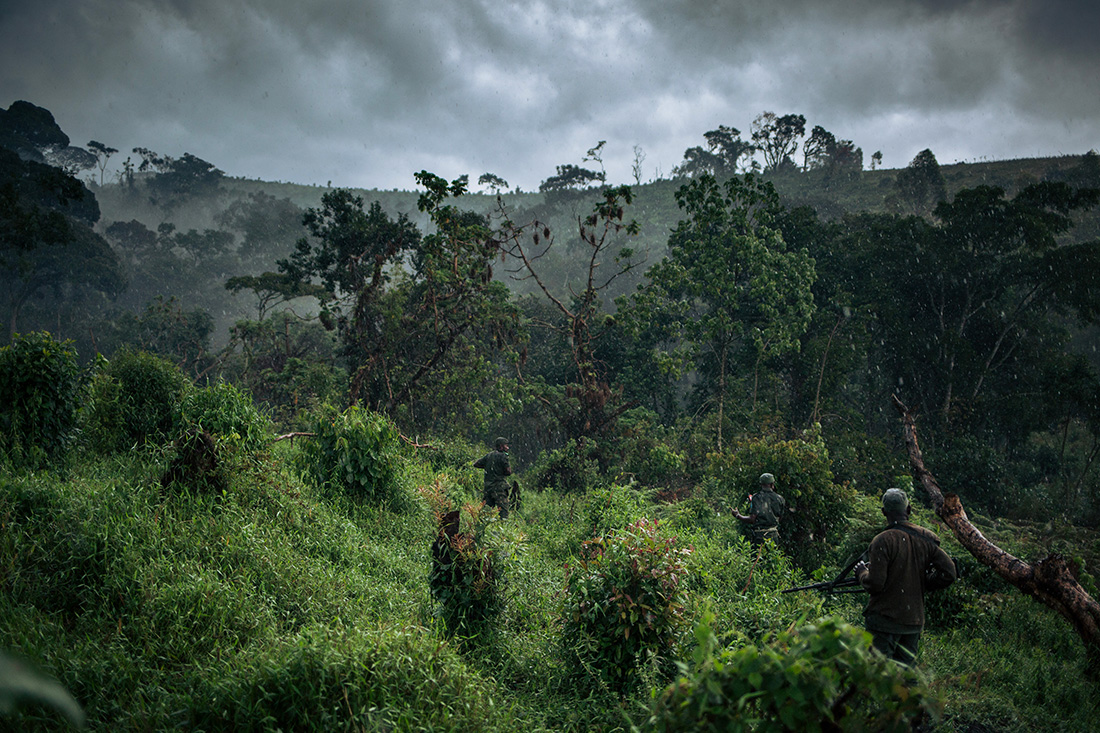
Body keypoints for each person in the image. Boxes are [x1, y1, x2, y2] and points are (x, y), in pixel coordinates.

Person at [854, 488, 957, 664]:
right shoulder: (927, 539)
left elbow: (876, 584)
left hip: (884, 622)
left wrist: (862, 573)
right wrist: (924, 582)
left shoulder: (882, 540)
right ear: (909, 510)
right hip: (912, 622)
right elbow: (950, 573)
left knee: (874, 675)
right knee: (904, 678)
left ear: (884, 512)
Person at [734, 472, 788, 547]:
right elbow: (780, 518)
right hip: (774, 536)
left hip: (760, 536)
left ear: (761, 484)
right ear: (772, 485)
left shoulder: (756, 497)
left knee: (759, 557)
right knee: (772, 557)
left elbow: (752, 519)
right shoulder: (780, 499)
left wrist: (738, 515)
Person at [473, 437, 513, 518]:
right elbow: (508, 472)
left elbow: (476, 464)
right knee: (503, 512)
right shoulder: (503, 456)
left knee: (486, 512)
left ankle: (482, 528)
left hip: (488, 488)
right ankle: (503, 528)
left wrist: (488, 467)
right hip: (499, 488)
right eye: (506, 446)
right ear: (501, 446)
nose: (507, 448)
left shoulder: (489, 456)